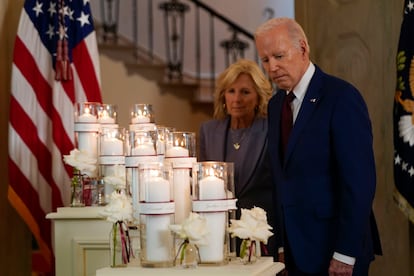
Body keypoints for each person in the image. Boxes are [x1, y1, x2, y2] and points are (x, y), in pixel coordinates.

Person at [254, 17, 382, 276]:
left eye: (279, 55)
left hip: (336, 250)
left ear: (303, 48)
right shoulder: (276, 104)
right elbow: (281, 181)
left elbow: (359, 183)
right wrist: (281, 245)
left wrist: (345, 253)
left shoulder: (341, 97)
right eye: (265, 60)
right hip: (294, 251)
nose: (273, 67)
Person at [198, 59, 276, 256]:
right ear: (223, 95)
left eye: (245, 92)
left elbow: (281, 189)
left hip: (262, 233)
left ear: (258, 97)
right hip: (218, 233)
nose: (237, 99)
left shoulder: (272, 130)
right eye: (231, 91)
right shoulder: (208, 131)